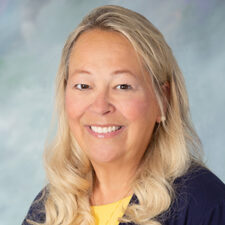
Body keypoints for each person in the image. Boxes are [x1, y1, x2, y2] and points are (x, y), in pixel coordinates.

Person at [22, 5, 225, 225]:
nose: (100, 107)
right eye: (83, 85)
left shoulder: (205, 205)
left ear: (162, 100)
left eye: (122, 86)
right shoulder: (49, 209)